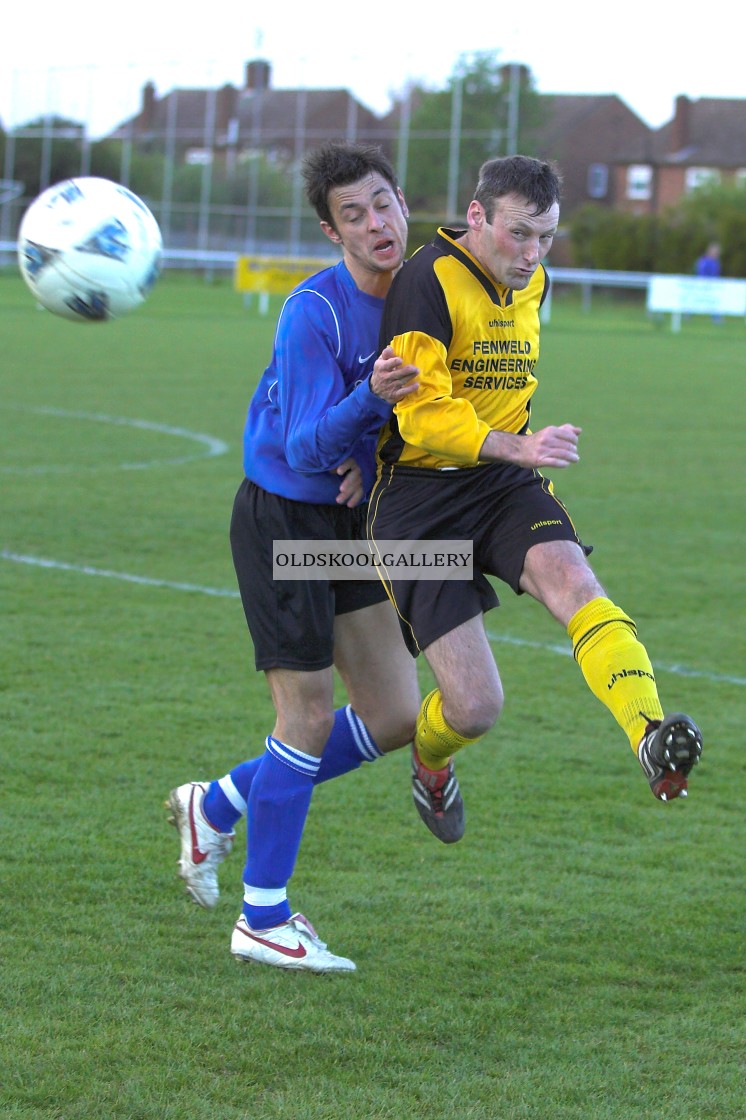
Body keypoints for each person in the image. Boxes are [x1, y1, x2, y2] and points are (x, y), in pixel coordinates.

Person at [367, 154, 703, 839]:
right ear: (476, 217)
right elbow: (419, 414)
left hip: (501, 485)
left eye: (546, 237)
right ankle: (430, 763)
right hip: (418, 503)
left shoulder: (535, 281)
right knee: (475, 707)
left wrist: (515, 455)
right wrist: (515, 444)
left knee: (576, 583)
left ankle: (647, 733)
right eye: (518, 234)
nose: (531, 254)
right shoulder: (425, 283)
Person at [167, 141, 422, 973]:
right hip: (285, 521)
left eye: (383, 203)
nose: (376, 222)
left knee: (393, 715)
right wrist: (370, 402)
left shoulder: (426, 295)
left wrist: (376, 453)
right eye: (355, 214)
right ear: (331, 230)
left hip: (352, 523)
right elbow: (309, 443)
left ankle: (221, 801)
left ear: (402, 201)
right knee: (307, 715)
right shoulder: (314, 312)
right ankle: (263, 918)